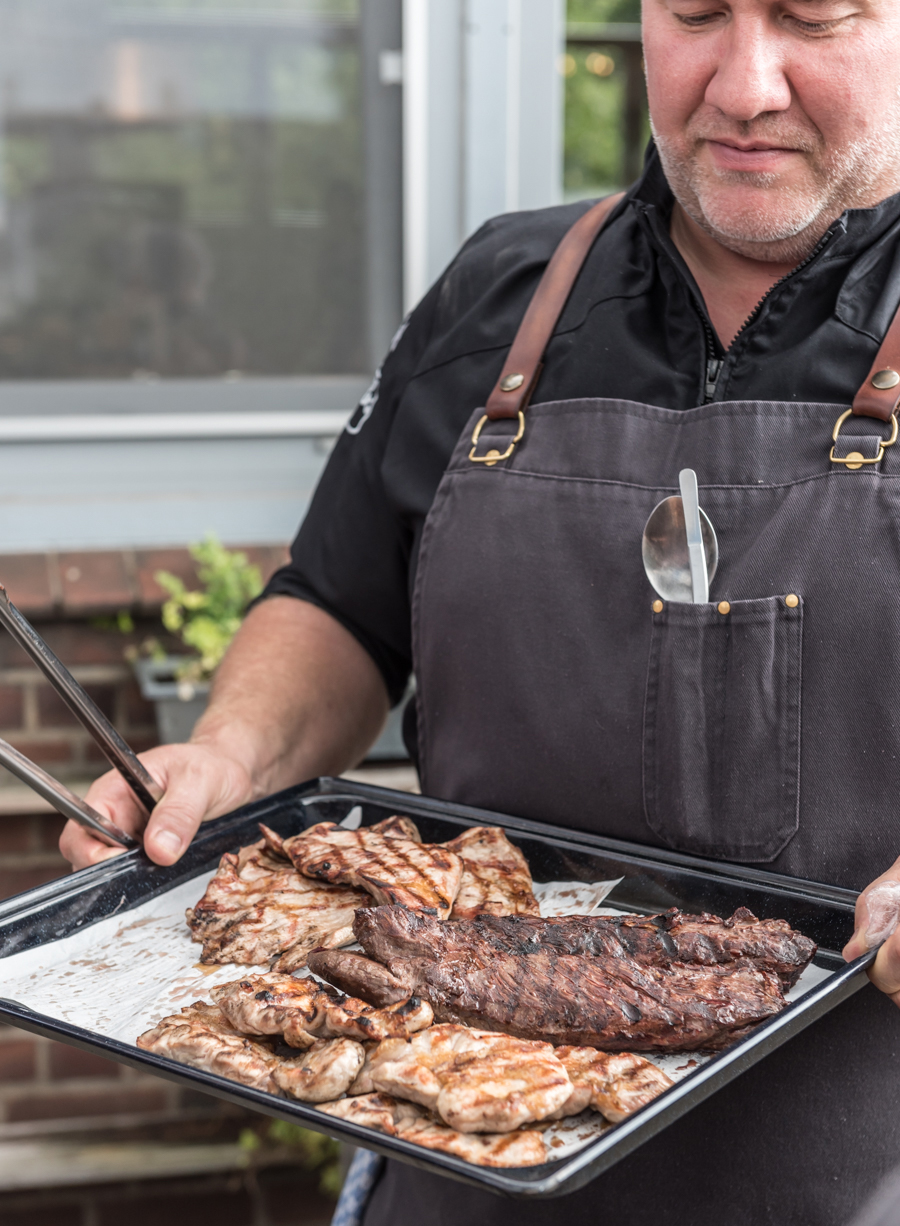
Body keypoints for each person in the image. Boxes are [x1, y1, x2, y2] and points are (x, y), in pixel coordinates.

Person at [61, 0, 900, 1220]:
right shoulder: (500, 291)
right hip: (458, 1137)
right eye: (696, 13)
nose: (743, 82)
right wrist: (230, 750)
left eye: (812, 16)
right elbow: (339, 605)